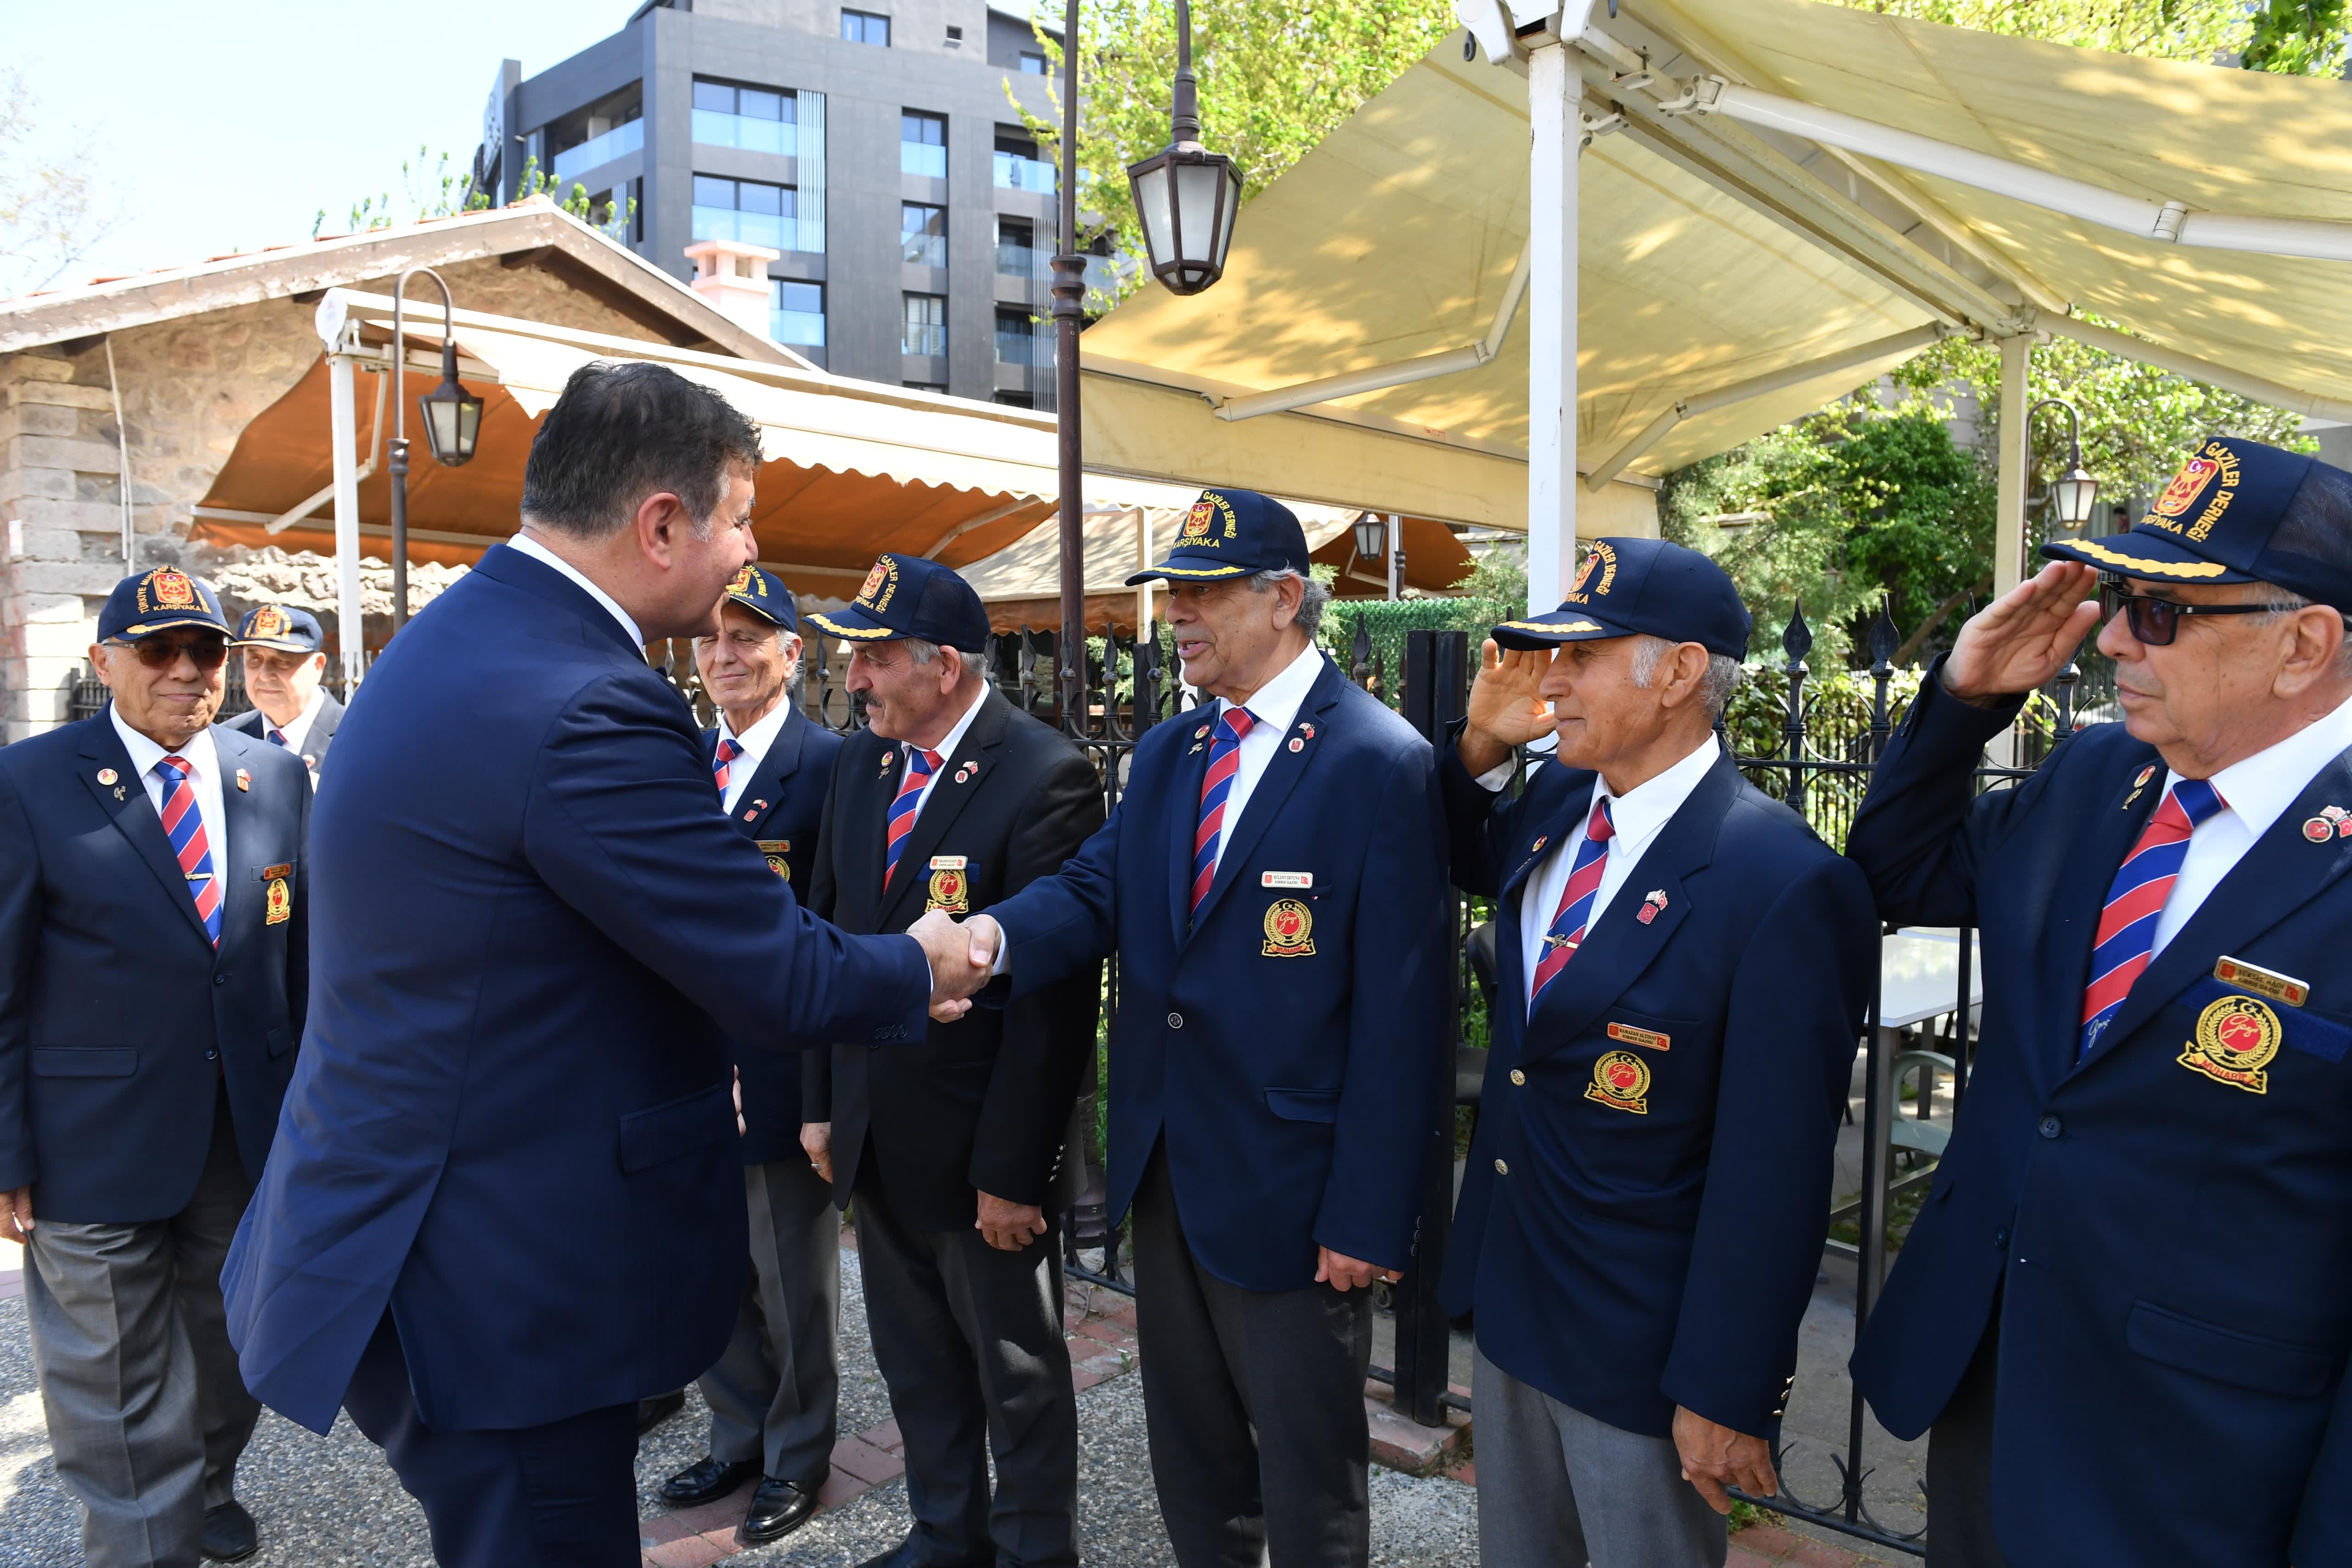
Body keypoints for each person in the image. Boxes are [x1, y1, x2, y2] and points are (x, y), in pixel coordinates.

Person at [219, 361, 986, 1568]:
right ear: (662, 522)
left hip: (420, 1232)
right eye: (739, 517)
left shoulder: (464, 637)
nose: (749, 551)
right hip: (497, 1282)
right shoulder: (589, 700)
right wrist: (923, 960)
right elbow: (772, 967)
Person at [1845, 436, 2352, 1568]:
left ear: (2302, 645)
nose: (2114, 636)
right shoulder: (2096, 778)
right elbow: (1891, 871)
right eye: (2121, 599)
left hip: (2193, 1469)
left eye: (2162, 613)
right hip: (1988, 1379)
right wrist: (1962, 701)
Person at [952, 490, 1448, 1568]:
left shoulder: (1378, 760)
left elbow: (1403, 1015)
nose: (1177, 613)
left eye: (1202, 592)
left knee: (1310, 1480)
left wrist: (1368, 1213)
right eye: (1171, 592)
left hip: (1292, 1187)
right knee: (1193, 1462)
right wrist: (985, 938)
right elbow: (1094, 888)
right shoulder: (1176, 750)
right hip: (1166, 1165)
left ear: (1282, 599)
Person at [1438, 538, 1876, 1568]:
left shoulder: (1780, 880)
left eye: (1581, 656)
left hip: (1640, 1348)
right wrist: (1478, 750)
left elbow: (1774, 1173)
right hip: (1513, 1295)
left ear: (1679, 672)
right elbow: (1460, 857)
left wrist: (1725, 1390)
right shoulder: (1555, 802)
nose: (1549, 678)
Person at [798, 553, 1104, 1568]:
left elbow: (1054, 1005)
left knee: (1016, 1372)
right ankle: (945, 1533)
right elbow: (827, 942)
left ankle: (1029, 1552)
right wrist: (820, 1106)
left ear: (944, 665)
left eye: (876, 656)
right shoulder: (860, 766)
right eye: (855, 655)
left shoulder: (1044, 772)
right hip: (875, 1135)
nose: (857, 676)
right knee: (917, 1364)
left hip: (980, 1156)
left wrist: (1015, 1173)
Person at [0, 568, 311, 1566]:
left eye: (206, 651)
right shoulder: (31, 782)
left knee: (231, 1355)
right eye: (158, 651)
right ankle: (149, 1544)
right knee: (119, 1394)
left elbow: (297, 965)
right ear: (105, 664)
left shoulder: (274, 780)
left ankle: (204, 1486)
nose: (186, 672)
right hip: (90, 1148)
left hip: (243, 1137)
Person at [650, 563, 846, 1543]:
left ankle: (799, 1455)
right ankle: (738, 1434)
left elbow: (834, 936)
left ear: (791, 653)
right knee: (709, 1267)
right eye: (711, 639)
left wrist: (821, 1095)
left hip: (774, 1072)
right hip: (682, 1067)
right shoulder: (677, 759)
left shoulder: (829, 767)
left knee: (789, 1281)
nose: (725, 654)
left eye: (747, 637)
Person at [224, 604, 341, 783]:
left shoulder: (356, 737)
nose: (264, 675)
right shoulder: (228, 738)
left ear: (318, 666)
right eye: (254, 659)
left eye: (282, 661)